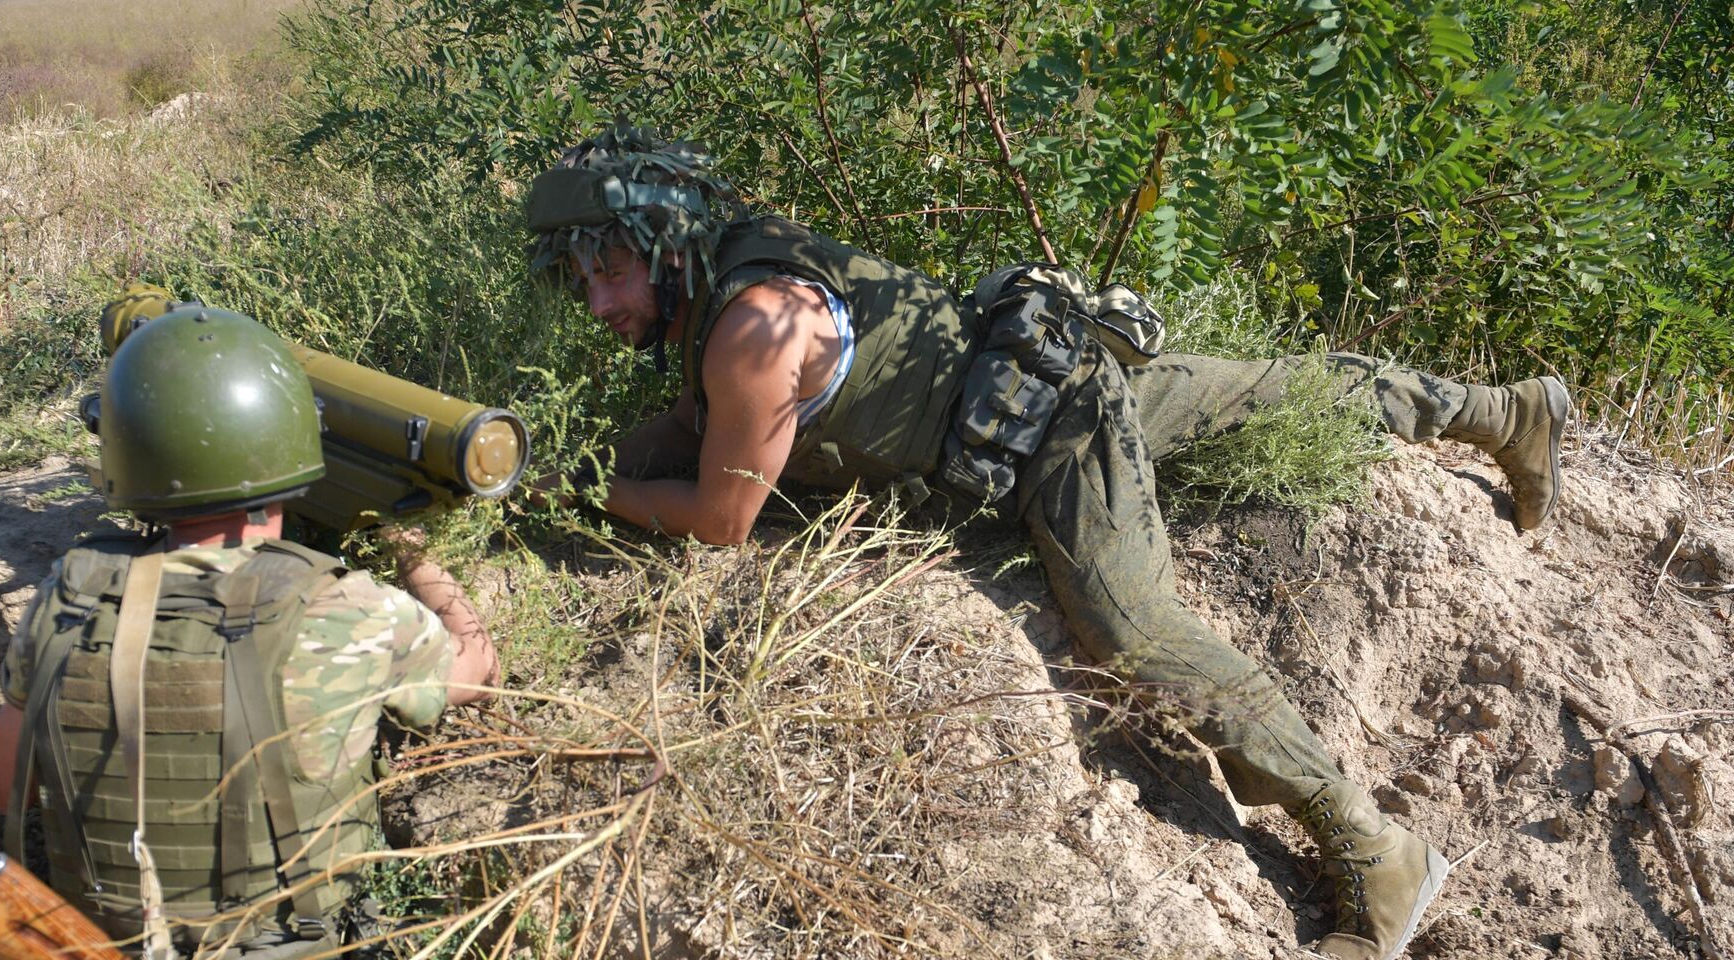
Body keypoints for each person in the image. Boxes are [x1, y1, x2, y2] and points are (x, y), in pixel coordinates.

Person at [523, 125, 1569, 960]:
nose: (603, 302)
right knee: (1262, 393)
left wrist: (590, 490)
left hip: (1047, 433)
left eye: (612, 269)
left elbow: (722, 522)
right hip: (1022, 380)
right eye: (584, 283)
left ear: (663, 237)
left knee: (1135, 630)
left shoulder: (751, 331)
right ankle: (1502, 411)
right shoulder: (743, 256)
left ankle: (1376, 850)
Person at [0, 303, 498, 957]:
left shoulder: (67, 600)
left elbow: (5, 792)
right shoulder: (346, 611)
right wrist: (414, 551)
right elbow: (476, 671)